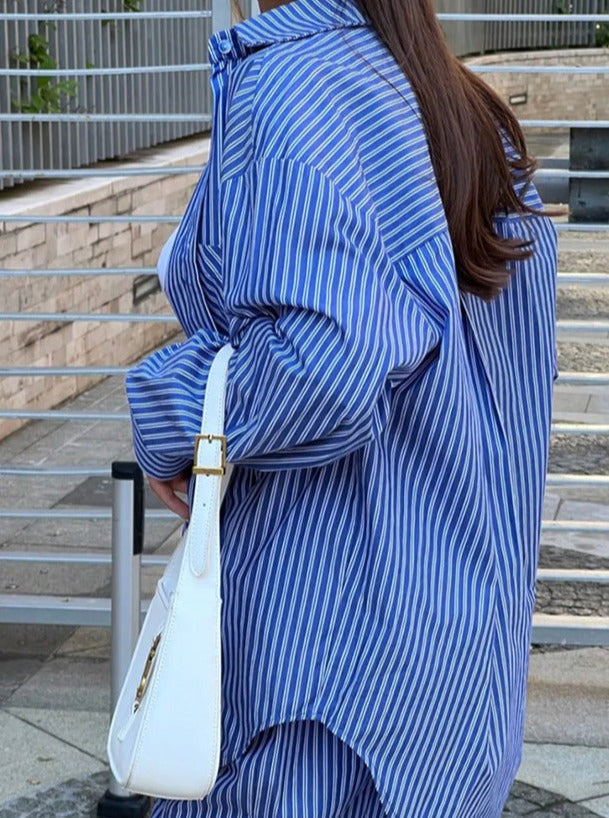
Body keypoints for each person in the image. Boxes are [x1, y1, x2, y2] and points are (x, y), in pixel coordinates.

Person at [124, 0, 558, 814]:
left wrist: (172, 410)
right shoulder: (454, 102)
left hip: (321, 666)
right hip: (455, 651)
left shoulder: (298, 78)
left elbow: (328, 360)